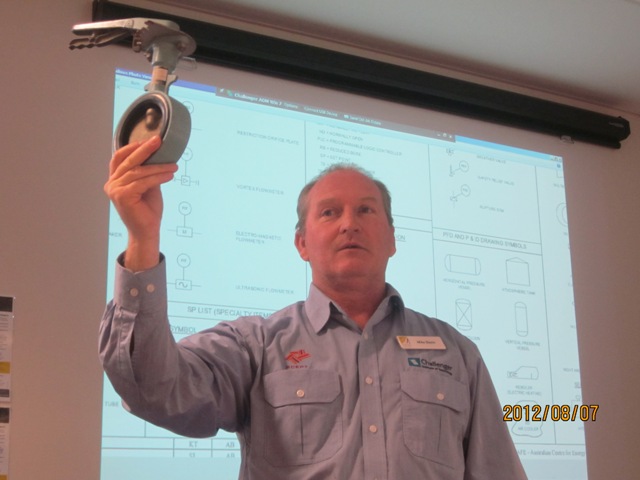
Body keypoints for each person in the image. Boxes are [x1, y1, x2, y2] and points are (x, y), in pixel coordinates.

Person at [101, 135, 528, 479]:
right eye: (329, 213)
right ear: (302, 244)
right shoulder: (255, 346)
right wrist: (143, 241)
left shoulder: (457, 354)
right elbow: (155, 389)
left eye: (366, 210)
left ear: (393, 239)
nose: (349, 223)